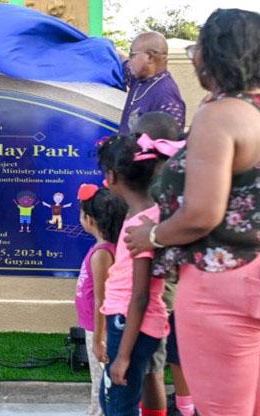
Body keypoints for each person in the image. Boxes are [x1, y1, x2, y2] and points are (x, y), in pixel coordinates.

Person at [124, 9, 260, 416]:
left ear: (216, 54)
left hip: (221, 282)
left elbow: (201, 213)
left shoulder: (221, 117)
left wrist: (150, 236)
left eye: (199, 45)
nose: (194, 54)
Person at [96, 134, 176, 416]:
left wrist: (123, 356)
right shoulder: (143, 214)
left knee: (119, 405)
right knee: (112, 400)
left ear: (112, 176)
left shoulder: (142, 223)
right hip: (127, 322)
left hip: (129, 324)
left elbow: (140, 295)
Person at [131, 113, 195, 416]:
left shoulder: (158, 178)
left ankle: (184, 405)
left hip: (167, 278)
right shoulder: (181, 169)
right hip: (181, 274)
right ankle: (186, 403)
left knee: (168, 349)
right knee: (176, 348)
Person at [75, 184, 127, 416]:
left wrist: (98, 339)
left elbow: (101, 299)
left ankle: (98, 412)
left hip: (99, 329)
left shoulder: (103, 254)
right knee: (101, 381)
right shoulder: (104, 248)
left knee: (102, 383)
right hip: (95, 326)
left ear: (90, 219)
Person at [118, 32, 186, 134]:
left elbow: (169, 143)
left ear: (149, 57)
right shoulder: (139, 80)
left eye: (132, 55)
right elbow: (123, 62)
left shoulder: (166, 95)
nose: (130, 60)